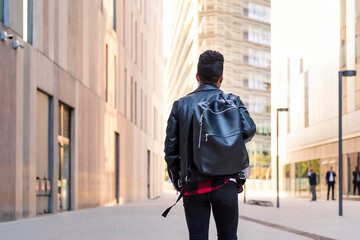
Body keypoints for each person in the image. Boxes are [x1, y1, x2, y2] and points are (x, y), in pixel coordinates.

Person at [164, 50, 256, 240]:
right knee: (228, 236)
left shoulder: (180, 106)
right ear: (221, 78)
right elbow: (249, 130)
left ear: (197, 77)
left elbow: (171, 152)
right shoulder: (232, 101)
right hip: (226, 185)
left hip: (193, 185)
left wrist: (178, 182)